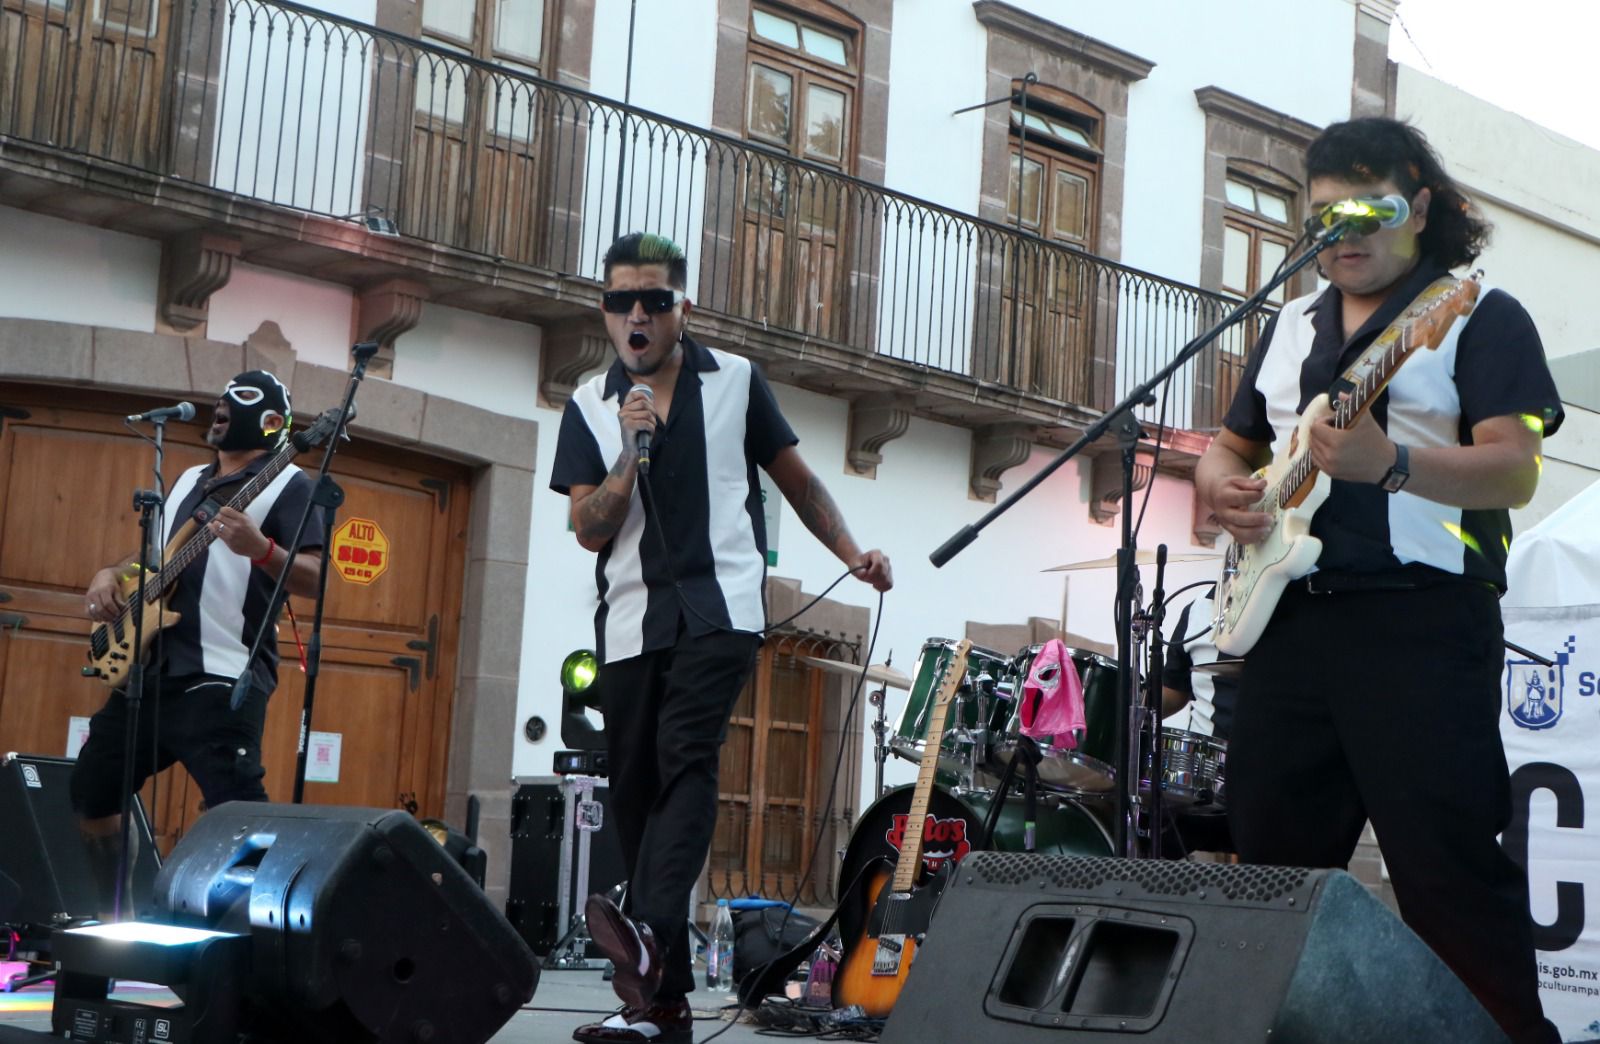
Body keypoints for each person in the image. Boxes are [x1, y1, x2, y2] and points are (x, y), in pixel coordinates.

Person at [1196, 117, 1561, 1043]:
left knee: (1446, 875)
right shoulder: (1289, 326)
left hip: (1422, 624)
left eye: (1371, 208)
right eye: (1325, 215)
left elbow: (1515, 469)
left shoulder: (1477, 314)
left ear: (1422, 207)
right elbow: (1226, 448)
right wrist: (1225, 493)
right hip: (1289, 627)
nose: (1345, 232)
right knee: (1272, 872)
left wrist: (1390, 463)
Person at [551, 232, 892, 1044]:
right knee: (634, 791)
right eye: (621, 301)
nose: (637, 315)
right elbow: (587, 530)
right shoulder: (588, 406)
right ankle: (657, 1003)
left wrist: (854, 554)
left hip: (721, 611)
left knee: (687, 758)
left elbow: (798, 482)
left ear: (682, 309)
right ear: (604, 310)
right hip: (630, 622)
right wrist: (629, 461)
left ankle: (646, 928)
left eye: (655, 301)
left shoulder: (735, 381)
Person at [73, 371, 324, 915]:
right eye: (219, 403)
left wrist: (260, 549)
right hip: (148, 675)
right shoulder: (187, 479)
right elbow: (155, 562)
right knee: (91, 792)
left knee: (240, 816)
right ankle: (120, 919)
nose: (219, 410)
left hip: (222, 674)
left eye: (235, 405)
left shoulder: (292, 485)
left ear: (273, 422)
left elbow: (314, 577)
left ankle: (245, 937)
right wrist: (108, 574)